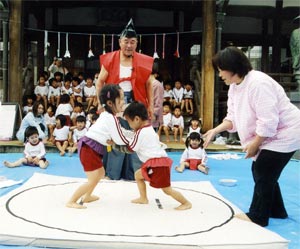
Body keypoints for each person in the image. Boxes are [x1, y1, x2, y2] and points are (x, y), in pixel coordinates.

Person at [203, 46, 300, 227]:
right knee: (264, 171)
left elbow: (268, 120)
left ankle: (258, 216)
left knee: (263, 168)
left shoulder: (258, 83)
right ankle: (276, 211)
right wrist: (215, 130)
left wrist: (255, 144)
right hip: (272, 133)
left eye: (221, 70)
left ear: (232, 68)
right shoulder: (234, 87)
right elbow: (232, 118)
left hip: (288, 131)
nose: (219, 74)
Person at [96, 18, 154, 180]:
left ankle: (134, 174)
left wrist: (151, 106)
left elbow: (149, 84)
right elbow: (100, 81)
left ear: (137, 43)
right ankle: (113, 173)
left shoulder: (143, 60)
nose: (129, 45)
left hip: (137, 101)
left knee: (136, 137)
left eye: (133, 42)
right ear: (120, 42)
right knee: (116, 135)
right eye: (126, 41)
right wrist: (101, 103)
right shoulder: (110, 59)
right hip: (116, 102)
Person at [66, 84, 129, 209]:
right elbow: (119, 138)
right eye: (121, 99)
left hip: (91, 148)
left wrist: (131, 135)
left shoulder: (108, 116)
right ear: (110, 103)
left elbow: (120, 132)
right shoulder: (110, 118)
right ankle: (71, 201)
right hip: (88, 149)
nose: (123, 102)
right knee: (93, 178)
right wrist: (134, 141)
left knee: (100, 173)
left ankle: (87, 196)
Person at [122, 101, 192, 210]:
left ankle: (186, 203)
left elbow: (131, 148)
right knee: (137, 175)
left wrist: (117, 144)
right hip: (155, 162)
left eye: (129, 122)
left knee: (167, 189)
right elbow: (133, 137)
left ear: (136, 119)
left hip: (157, 164)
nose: (129, 125)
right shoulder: (148, 128)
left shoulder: (141, 132)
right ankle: (143, 198)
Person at [151, 60, 164, 131]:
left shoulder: (156, 85)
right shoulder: (147, 83)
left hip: (152, 118)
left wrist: (154, 114)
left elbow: (158, 102)